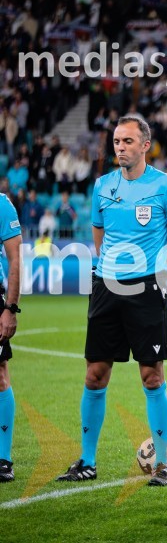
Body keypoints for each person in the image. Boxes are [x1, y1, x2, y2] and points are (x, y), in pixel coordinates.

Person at [56, 116, 167, 486]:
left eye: (128, 141)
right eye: (116, 141)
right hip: (106, 287)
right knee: (95, 374)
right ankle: (87, 461)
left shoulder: (165, 186)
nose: (120, 147)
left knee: (152, 375)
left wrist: (158, 279)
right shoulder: (103, 186)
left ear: (145, 145)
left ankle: (162, 463)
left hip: (147, 289)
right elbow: (99, 237)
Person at [0, 193, 21, 482]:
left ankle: (3, 459)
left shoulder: (2, 205)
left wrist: (10, 308)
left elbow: (16, 258)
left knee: (0, 375)